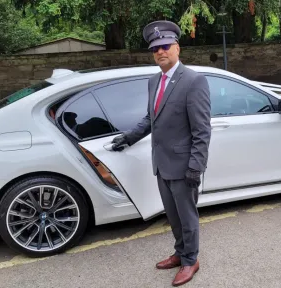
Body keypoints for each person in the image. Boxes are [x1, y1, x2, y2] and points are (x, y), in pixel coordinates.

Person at [110, 20, 211, 286]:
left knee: (187, 216)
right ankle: (180, 253)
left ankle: (191, 260)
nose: (160, 52)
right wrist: (129, 138)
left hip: (183, 166)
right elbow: (151, 118)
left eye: (165, 46)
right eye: (155, 48)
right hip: (161, 164)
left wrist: (195, 167)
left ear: (177, 48)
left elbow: (202, 130)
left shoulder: (194, 81)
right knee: (173, 215)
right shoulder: (154, 80)